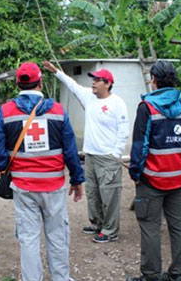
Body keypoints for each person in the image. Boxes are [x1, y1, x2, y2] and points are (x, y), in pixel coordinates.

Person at [0, 62, 85, 281]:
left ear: (17, 84)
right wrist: (77, 179)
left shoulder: (6, 111)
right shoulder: (59, 111)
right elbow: (71, 150)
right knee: (57, 234)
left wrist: (7, 167)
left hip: (23, 186)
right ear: (41, 83)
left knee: (29, 237)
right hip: (53, 186)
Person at [125, 60, 181, 281]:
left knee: (150, 227)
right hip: (177, 179)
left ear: (154, 79)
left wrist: (136, 173)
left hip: (151, 180)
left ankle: (150, 280)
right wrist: (179, 163)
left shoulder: (147, 107)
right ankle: (176, 277)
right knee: (177, 226)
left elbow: (140, 146)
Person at [42, 61, 130, 243]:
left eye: (98, 80)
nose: (94, 83)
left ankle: (110, 230)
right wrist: (56, 71)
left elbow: (124, 130)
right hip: (90, 155)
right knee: (93, 193)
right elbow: (72, 85)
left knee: (109, 195)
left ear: (108, 84)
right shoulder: (89, 97)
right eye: (93, 80)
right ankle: (97, 223)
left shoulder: (117, 103)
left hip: (108, 157)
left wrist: (116, 153)